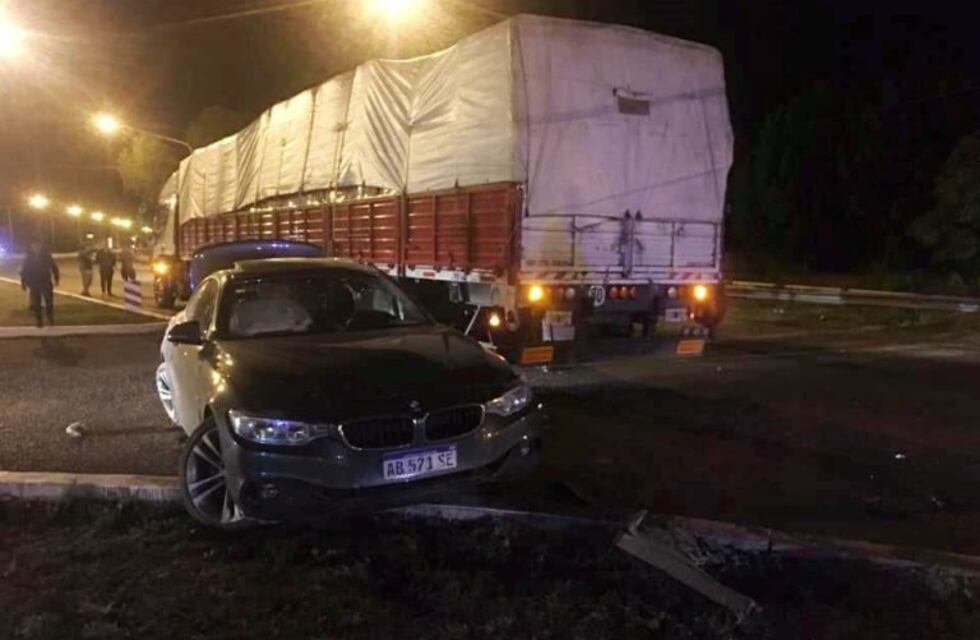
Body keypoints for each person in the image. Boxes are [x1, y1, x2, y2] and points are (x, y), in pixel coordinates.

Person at [19, 240, 60, 328]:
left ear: (41, 246)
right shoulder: (28, 257)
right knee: (36, 303)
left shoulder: (46, 256)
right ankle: (39, 321)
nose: (36, 247)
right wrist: (23, 283)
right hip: (34, 283)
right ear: (31, 247)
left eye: (38, 245)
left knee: (49, 301)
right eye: (34, 246)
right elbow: (24, 271)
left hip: (46, 281)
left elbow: (54, 267)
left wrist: (56, 279)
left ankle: (50, 318)